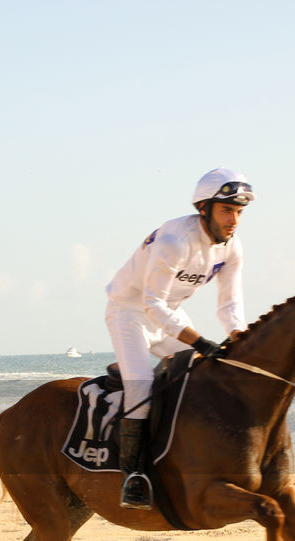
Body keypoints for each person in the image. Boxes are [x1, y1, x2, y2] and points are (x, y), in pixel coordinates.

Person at [104, 167, 253, 509]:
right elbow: (150, 304)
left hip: (169, 315)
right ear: (204, 208)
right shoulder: (175, 241)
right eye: (226, 210)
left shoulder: (232, 248)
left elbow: (230, 305)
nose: (234, 220)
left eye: (239, 212)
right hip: (129, 313)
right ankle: (134, 476)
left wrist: (240, 339)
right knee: (141, 382)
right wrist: (199, 341)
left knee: (211, 373)